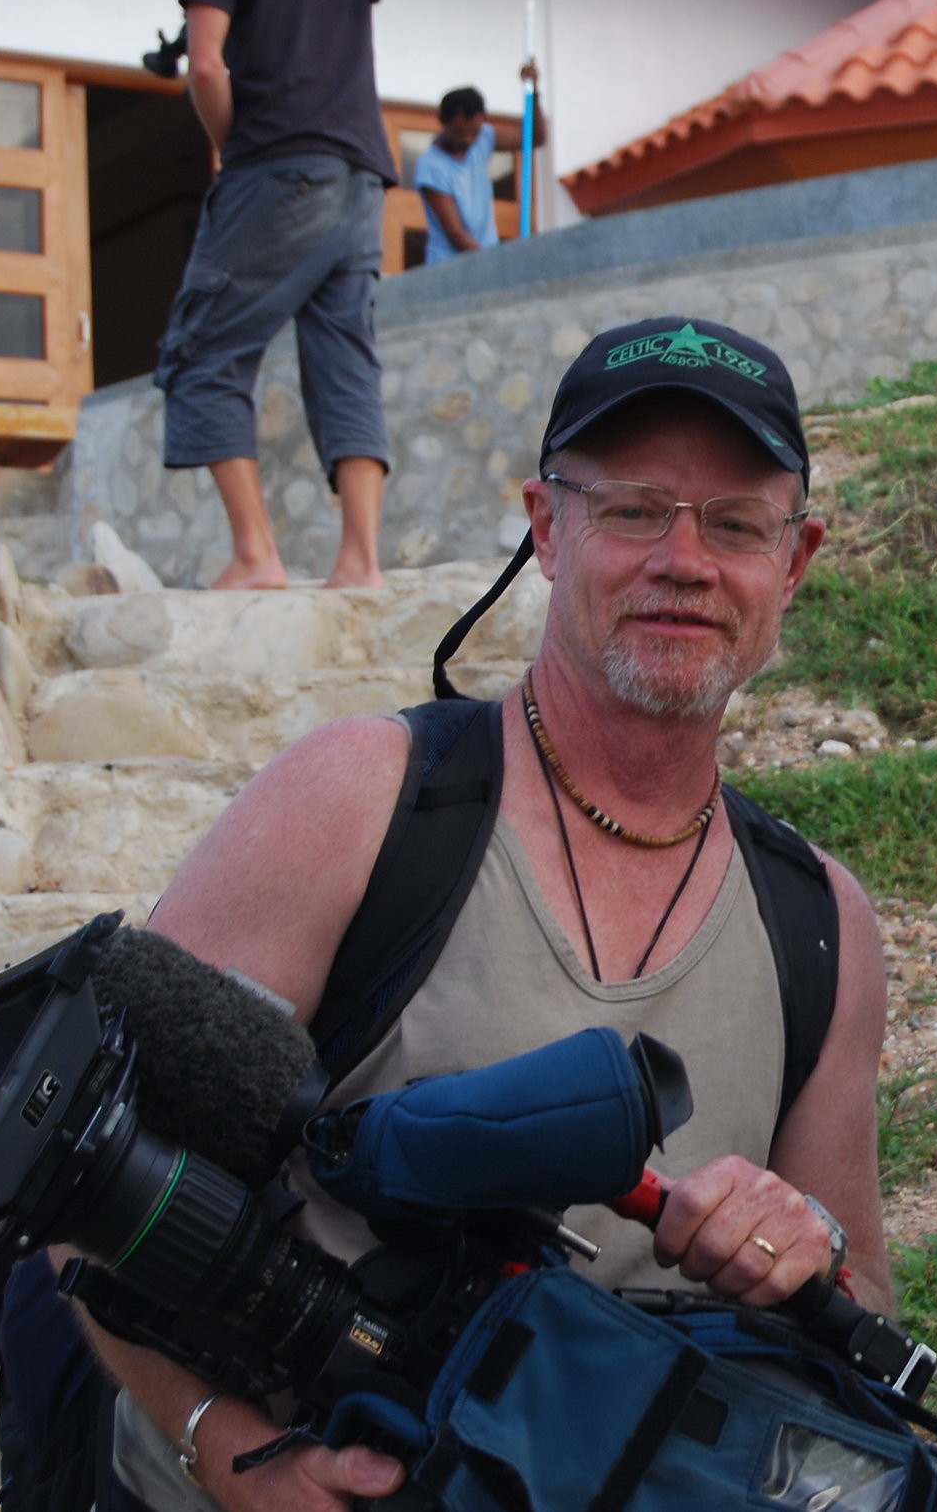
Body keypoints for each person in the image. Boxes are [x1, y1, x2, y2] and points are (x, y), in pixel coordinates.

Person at [80, 316, 891, 1512]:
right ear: (545, 527)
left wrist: (800, 1241)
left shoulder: (821, 921)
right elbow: (72, 1167)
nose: (684, 559)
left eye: (733, 524)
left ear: (797, 560)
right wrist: (223, 1449)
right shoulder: (359, 807)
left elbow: (864, 1309)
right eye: (630, 510)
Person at [159, 0, 400, 590]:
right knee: (344, 358)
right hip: (362, 171)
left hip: (279, 166)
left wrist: (236, 148)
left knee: (203, 351)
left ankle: (256, 555)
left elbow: (205, 63)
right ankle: (360, 562)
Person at [416, 86, 495, 264]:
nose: (468, 139)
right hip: (449, 268)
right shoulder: (431, 166)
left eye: (474, 132)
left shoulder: (484, 138)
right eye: (460, 132)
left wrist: (533, 92)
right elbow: (455, 232)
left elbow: (535, 137)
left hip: (485, 261)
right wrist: (492, 264)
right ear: (444, 122)